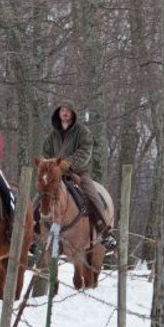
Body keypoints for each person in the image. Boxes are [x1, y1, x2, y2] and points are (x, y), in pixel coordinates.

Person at [41, 103, 117, 251]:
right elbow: (46, 152)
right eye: (63, 110)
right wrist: (50, 165)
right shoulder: (52, 135)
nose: (65, 113)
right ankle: (34, 233)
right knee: (40, 196)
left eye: (68, 111)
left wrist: (68, 163)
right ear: (59, 113)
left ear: (73, 113)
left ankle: (104, 231)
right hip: (55, 175)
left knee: (92, 196)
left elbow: (85, 151)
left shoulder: (83, 132)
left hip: (78, 172)